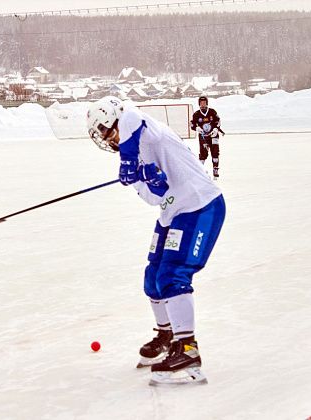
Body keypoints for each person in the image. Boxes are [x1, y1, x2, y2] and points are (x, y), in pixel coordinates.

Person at [86, 96, 225, 386]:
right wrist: (144, 176)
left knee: (173, 274)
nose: (109, 140)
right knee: (153, 278)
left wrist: (128, 160)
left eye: (107, 132)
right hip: (172, 212)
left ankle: (188, 348)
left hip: (200, 205)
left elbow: (131, 116)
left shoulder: (145, 127)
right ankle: (167, 334)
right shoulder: (132, 153)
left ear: (115, 121)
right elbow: (156, 197)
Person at [191, 96, 222, 179]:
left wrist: (216, 129)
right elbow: (192, 124)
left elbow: (218, 121)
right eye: (201, 103)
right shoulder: (196, 114)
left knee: (215, 152)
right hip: (203, 136)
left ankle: (215, 169)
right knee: (203, 153)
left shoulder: (212, 112)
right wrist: (197, 128)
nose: (203, 104)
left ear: (207, 103)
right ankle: (200, 170)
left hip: (213, 135)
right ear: (199, 104)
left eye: (204, 102)